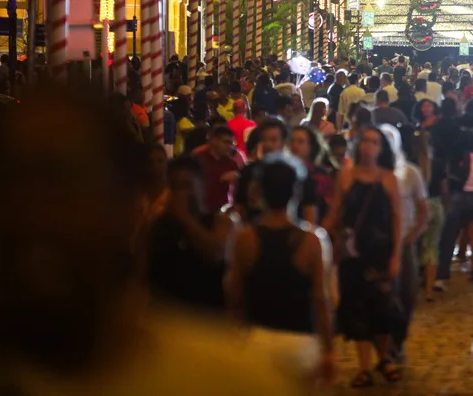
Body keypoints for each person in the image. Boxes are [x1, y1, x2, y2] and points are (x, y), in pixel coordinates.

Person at [0, 86, 298, 394]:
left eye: (68, 183)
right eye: (17, 183)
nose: (44, 214)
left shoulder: (230, 382)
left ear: (125, 203)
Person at [226, 154, 335, 388]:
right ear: (296, 191)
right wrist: (328, 349)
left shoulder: (245, 238)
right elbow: (320, 299)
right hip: (300, 343)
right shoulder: (313, 241)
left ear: (260, 191)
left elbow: (234, 292)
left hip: (256, 339)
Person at [322, 126, 403, 387]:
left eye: (375, 142)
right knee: (356, 308)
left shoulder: (389, 179)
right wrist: (319, 236)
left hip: (379, 253)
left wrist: (396, 255)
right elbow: (335, 212)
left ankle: (385, 358)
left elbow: (396, 220)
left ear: (382, 148)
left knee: (382, 307)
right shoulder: (346, 175)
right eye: (365, 141)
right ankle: (366, 367)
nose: (368, 146)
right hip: (353, 253)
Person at [147, 158, 234, 312]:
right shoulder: (160, 224)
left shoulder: (219, 222)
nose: (182, 193)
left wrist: (185, 218)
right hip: (165, 316)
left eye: (187, 185)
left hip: (207, 317)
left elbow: (216, 253)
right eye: (176, 187)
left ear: (202, 185)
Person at [380, 124, 427, 364]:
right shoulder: (371, 175)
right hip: (378, 243)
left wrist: (412, 235)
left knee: (407, 293)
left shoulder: (410, 173)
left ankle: (397, 341)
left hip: (405, 242)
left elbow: (422, 209)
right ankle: (383, 349)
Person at [436, 131, 473, 284]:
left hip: (457, 199)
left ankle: (442, 273)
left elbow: (445, 184)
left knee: (449, 238)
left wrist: (446, 201)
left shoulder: (453, 160)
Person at [235, 119, 289, 223]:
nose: (267, 145)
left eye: (273, 140)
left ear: (283, 143)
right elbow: (240, 207)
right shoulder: (248, 171)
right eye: (264, 139)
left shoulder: (293, 172)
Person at [191, 124, 245, 214]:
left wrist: (238, 177)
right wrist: (219, 179)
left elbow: (239, 189)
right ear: (214, 141)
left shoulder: (231, 163)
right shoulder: (198, 159)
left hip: (222, 211)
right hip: (199, 210)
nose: (230, 146)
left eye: (231, 143)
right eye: (226, 142)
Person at [287, 126, 325, 225]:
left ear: (311, 147)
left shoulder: (319, 175)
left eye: (300, 142)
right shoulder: (283, 172)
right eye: (292, 141)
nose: (294, 145)